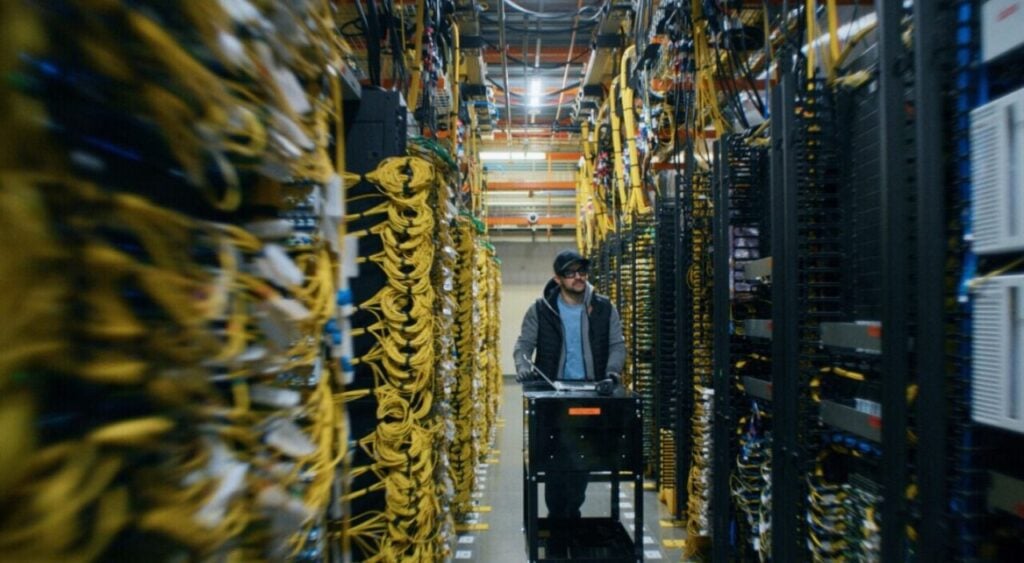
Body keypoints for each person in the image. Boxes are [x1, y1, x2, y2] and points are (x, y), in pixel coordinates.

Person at [513, 249, 626, 525]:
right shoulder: (541, 310)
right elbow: (523, 347)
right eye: (570, 273)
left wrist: (611, 375)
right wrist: (524, 367)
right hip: (553, 396)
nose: (578, 277)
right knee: (554, 461)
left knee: (582, 460)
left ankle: (571, 513)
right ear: (558, 278)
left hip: (591, 394)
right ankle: (557, 516)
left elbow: (616, 345)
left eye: (582, 272)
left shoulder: (603, 308)